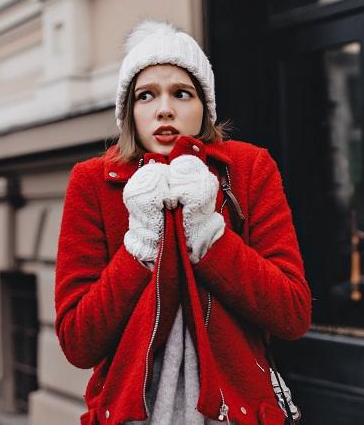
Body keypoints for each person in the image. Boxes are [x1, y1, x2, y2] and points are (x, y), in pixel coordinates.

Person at [55, 21, 311, 424]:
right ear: (129, 111)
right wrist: (138, 245)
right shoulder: (93, 183)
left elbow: (292, 314)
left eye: (181, 93)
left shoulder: (248, 169)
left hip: (236, 413)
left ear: (204, 106)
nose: (165, 109)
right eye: (146, 95)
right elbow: (77, 342)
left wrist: (210, 236)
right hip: (130, 413)